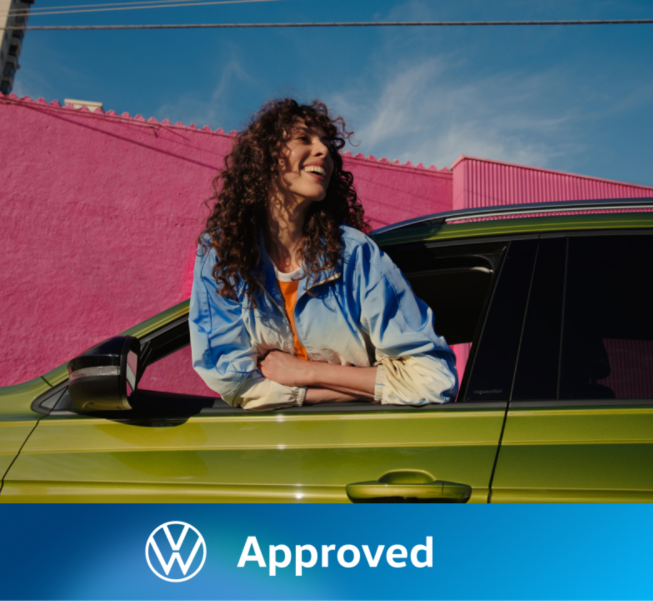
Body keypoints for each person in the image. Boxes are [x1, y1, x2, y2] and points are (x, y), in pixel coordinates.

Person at [189, 98, 457, 410]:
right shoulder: (223, 253)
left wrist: (306, 372)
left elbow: (435, 379)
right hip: (272, 448)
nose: (324, 151)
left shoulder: (355, 254)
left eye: (327, 143)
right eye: (304, 139)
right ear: (267, 157)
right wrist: (346, 390)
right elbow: (231, 379)